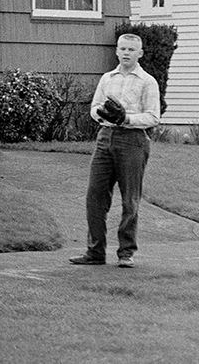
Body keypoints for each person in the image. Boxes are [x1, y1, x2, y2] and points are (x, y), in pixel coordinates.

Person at [69, 33, 161, 268]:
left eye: (131, 49)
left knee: (130, 199)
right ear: (116, 51)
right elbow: (94, 107)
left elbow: (153, 117)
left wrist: (126, 118)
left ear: (140, 53)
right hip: (105, 137)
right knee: (95, 197)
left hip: (133, 141)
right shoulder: (107, 78)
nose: (126, 53)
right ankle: (95, 252)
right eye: (123, 48)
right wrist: (102, 114)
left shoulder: (147, 81)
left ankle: (126, 252)